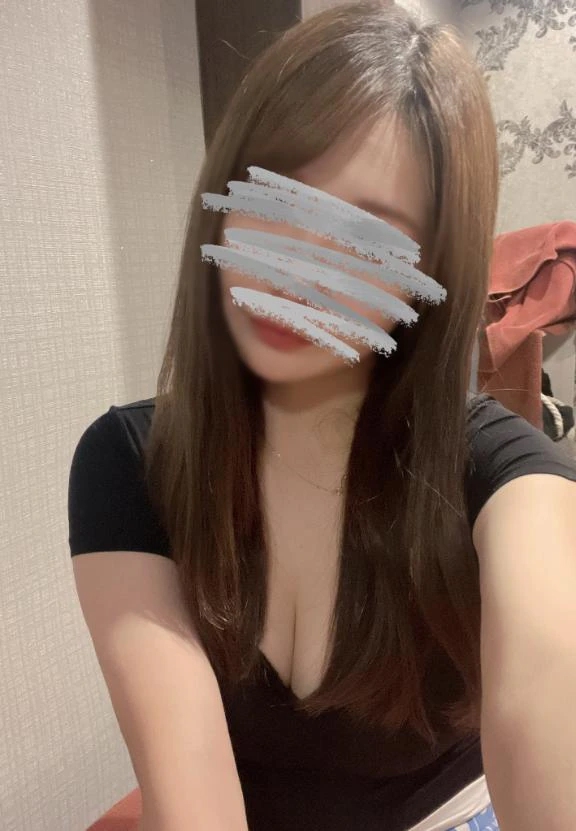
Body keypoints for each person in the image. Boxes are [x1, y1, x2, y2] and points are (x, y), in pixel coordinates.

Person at [68, 3, 576, 830]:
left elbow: (547, 704)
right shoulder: (131, 462)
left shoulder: (505, 478)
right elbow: (190, 795)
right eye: (278, 195)